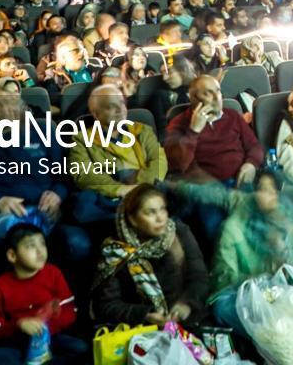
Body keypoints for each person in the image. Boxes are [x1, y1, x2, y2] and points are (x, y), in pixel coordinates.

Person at [0, 91, 91, 273]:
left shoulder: (43, 132)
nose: (11, 112)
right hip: (2, 220)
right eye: (2, 107)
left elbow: (66, 173)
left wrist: (58, 194)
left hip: (46, 214)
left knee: (78, 244)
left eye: (14, 105)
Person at [209, 169, 293, 336]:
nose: (271, 196)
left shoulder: (289, 223)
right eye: (264, 189)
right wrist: (259, 285)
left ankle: (278, 330)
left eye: (275, 190)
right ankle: (286, 330)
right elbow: (226, 277)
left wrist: (281, 249)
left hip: (283, 293)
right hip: (247, 295)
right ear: (256, 192)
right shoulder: (234, 228)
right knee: (221, 308)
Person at [91, 184, 210, 327]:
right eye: (150, 212)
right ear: (133, 219)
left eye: (162, 209)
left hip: (186, 321)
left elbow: (200, 277)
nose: (160, 218)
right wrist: (145, 315)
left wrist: (186, 304)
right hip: (141, 330)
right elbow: (107, 305)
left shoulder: (179, 232)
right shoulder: (117, 251)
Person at [164, 74, 264, 241]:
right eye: (208, 93)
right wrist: (193, 131)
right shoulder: (179, 123)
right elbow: (177, 165)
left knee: (255, 229)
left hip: (239, 180)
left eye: (218, 91)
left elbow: (254, 147)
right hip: (206, 189)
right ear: (194, 97)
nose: (217, 97)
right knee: (221, 234)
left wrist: (251, 164)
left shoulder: (232, 116)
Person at [0, 224, 86, 365]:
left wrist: (44, 326)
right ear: (12, 256)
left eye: (42, 244)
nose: (40, 251)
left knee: (80, 348)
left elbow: (70, 311)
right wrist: (19, 325)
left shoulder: (53, 273)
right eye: (31, 246)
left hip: (51, 337)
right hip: (17, 342)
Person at [68, 85, 168, 225]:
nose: (121, 110)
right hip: (112, 198)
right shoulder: (81, 139)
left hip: (148, 190)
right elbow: (84, 175)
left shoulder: (142, 130)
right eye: (111, 106)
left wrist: (141, 187)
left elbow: (159, 159)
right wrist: (121, 190)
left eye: (122, 103)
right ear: (96, 114)